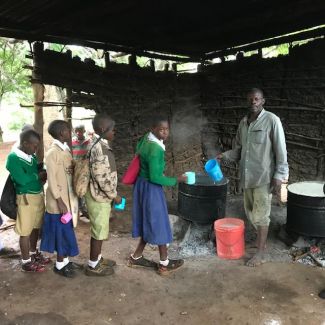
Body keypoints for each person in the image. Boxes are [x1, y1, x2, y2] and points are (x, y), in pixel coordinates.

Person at [217, 88, 289, 267]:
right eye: (250, 99)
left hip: (264, 176)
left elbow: (281, 151)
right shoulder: (243, 123)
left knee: (262, 215)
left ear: (263, 101)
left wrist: (280, 175)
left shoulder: (272, 120)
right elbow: (239, 150)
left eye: (257, 99)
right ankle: (260, 243)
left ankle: (261, 253)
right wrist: (223, 155)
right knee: (251, 212)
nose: (253, 102)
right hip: (247, 176)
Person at [128, 115, 187, 275]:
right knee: (160, 223)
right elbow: (156, 177)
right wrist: (178, 179)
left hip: (141, 185)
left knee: (150, 221)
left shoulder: (146, 139)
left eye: (167, 129)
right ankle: (164, 264)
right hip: (151, 188)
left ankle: (136, 256)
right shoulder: (155, 149)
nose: (165, 132)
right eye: (161, 129)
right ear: (153, 129)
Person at [6, 129, 49, 272]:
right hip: (25, 199)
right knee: (25, 231)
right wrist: (37, 176)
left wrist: (38, 176)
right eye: (34, 145)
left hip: (37, 196)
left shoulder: (31, 156)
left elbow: (33, 176)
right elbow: (22, 180)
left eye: (37, 145)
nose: (36, 149)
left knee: (36, 227)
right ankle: (26, 262)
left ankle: (32, 253)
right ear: (25, 143)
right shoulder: (13, 158)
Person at [40, 120, 80, 278]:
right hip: (58, 204)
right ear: (62, 133)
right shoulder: (52, 153)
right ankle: (59, 265)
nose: (70, 132)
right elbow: (51, 180)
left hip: (67, 200)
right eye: (68, 130)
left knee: (66, 232)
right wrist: (59, 200)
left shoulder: (65, 149)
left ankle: (65, 261)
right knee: (60, 234)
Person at [84, 113, 121, 276]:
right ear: (102, 129)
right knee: (98, 231)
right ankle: (93, 265)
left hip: (100, 195)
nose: (115, 132)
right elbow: (101, 177)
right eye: (113, 129)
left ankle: (98, 258)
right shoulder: (98, 148)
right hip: (98, 195)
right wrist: (114, 195)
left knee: (101, 229)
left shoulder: (99, 144)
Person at [71, 124, 90, 220]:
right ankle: (78, 211)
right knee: (75, 190)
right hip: (75, 171)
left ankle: (85, 210)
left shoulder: (89, 142)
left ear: (84, 131)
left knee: (84, 190)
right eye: (76, 131)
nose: (78, 133)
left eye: (80, 130)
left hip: (85, 171)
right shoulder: (71, 143)